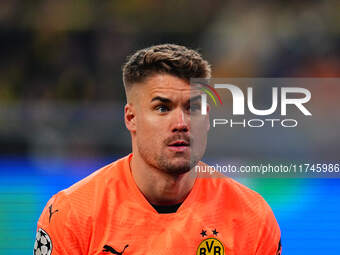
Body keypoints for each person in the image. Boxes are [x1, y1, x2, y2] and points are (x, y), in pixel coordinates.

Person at [34, 44, 281, 255]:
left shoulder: (251, 216)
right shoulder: (72, 213)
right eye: (163, 108)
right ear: (131, 118)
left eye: (192, 108)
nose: (181, 124)